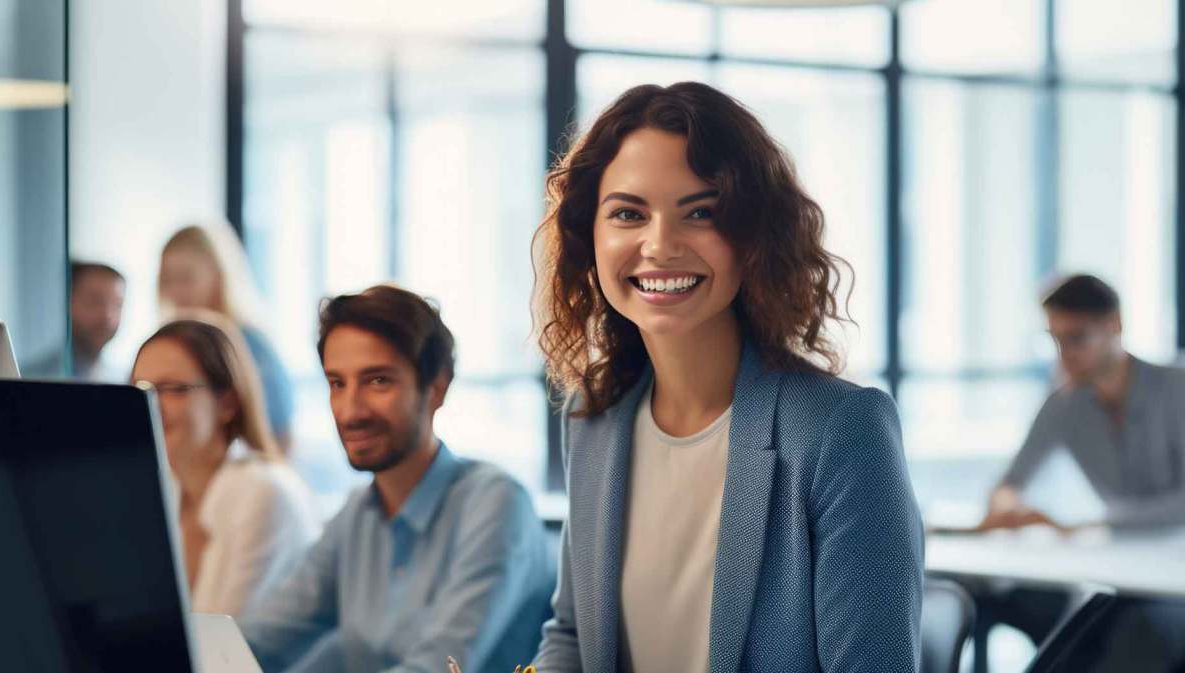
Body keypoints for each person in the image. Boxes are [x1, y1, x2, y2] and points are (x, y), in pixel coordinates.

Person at [530, 82, 924, 673]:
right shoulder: (594, 418)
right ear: (591, 235)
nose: (659, 245)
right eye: (629, 214)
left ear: (754, 236)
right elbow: (572, 637)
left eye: (701, 213)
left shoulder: (841, 431)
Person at [239, 284, 555, 673]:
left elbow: (439, 665)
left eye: (378, 381)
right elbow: (261, 637)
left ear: (436, 388)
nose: (350, 411)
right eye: (337, 383)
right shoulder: (357, 514)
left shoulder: (497, 504)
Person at [130, 312, 319, 616]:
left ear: (227, 403)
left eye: (174, 389)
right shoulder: (162, 490)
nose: (152, 405)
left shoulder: (263, 492)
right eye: (141, 390)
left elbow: (229, 635)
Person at [981, 274, 1185, 531]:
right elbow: (1009, 484)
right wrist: (1009, 508)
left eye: (1076, 338)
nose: (1064, 355)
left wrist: (1085, 524)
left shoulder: (1177, 388)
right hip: (1117, 548)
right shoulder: (1064, 404)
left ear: (1115, 324)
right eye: (1055, 340)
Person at [158, 222, 295, 449]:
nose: (176, 292)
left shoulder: (252, 345)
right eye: (167, 280)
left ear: (218, 275)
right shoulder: (163, 347)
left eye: (186, 278)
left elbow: (282, 440)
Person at [25, 261, 126, 381]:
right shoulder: (29, 378)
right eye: (94, 302)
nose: (107, 316)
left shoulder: (123, 380)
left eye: (117, 305)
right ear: (67, 301)